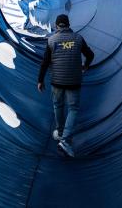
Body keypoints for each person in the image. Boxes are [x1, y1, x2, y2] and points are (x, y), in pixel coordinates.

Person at [37, 14, 94, 157]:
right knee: (73, 108)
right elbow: (90, 55)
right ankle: (65, 139)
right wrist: (85, 66)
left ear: (57, 26)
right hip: (74, 81)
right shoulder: (78, 38)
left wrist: (40, 80)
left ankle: (61, 133)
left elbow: (45, 63)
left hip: (57, 81)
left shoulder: (51, 40)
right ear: (68, 25)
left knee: (58, 106)